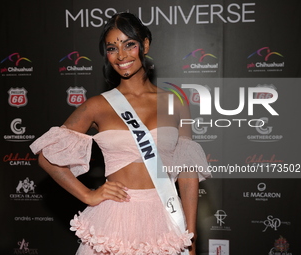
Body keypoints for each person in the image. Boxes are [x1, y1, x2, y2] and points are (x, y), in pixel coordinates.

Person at [30, 12, 210, 255]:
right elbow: (46, 156)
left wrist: (191, 231)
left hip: (165, 217)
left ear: (145, 44)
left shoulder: (174, 103)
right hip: (114, 217)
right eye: (112, 48)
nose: (121, 55)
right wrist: (88, 195)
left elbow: (188, 171)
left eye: (129, 45)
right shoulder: (97, 105)